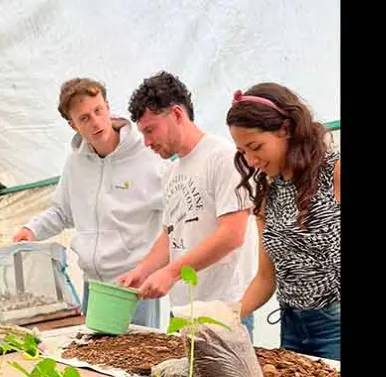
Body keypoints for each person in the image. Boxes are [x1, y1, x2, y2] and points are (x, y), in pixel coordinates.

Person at [14, 77, 166, 327]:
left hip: (135, 286)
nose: (95, 122)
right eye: (84, 118)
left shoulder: (148, 158)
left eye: (98, 111)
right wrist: (31, 230)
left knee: (135, 362)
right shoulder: (75, 163)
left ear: (107, 106)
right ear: (72, 124)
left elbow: (178, 218)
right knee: (93, 360)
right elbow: (62, 212)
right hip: (93, 285)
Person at [116, 71, 258, 338]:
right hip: (182, 311)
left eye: (150, 130)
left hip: (222, 309)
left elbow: (232, 235)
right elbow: (170, 235)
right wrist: (143, 270)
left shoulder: (225, 158)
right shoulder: (171, 172)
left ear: (178, 115)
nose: (146, 142)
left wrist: (170, 273)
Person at [226, 83, 340, 360]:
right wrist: (226, 317)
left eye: (256, 147)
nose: (251, 161)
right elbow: (266, 279)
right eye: (243, 151)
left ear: (286, 129)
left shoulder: (333, 173)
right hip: (291, 329)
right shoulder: (268, 193)